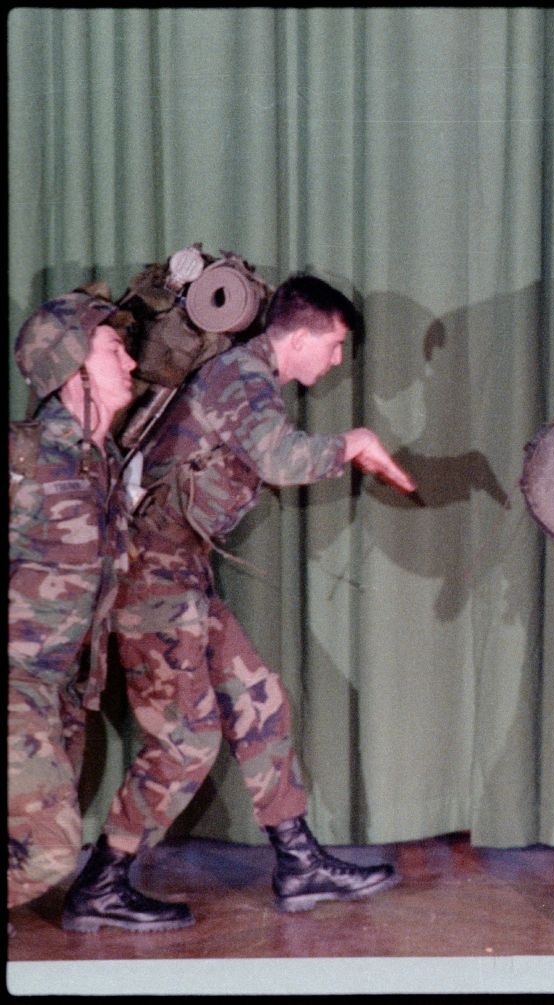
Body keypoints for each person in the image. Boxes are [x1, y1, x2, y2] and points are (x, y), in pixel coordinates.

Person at [60, 274, 417, 933]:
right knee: (187, 739)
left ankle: (299, 861)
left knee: (260, 700)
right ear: (303, 336)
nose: (337, 361)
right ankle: (100, 883)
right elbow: (280, 458)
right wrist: (355, 443)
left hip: (181, 573)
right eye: (335, 345)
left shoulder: (243, 376)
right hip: (152, 580)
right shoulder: (241, 375)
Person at [9, 291, 139, 929]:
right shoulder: (24, 456)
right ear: (72, 368)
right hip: (15, 683)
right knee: (54, 852)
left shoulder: (105, 462)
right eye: (115, 350)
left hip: (60, 687)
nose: (133, 363)